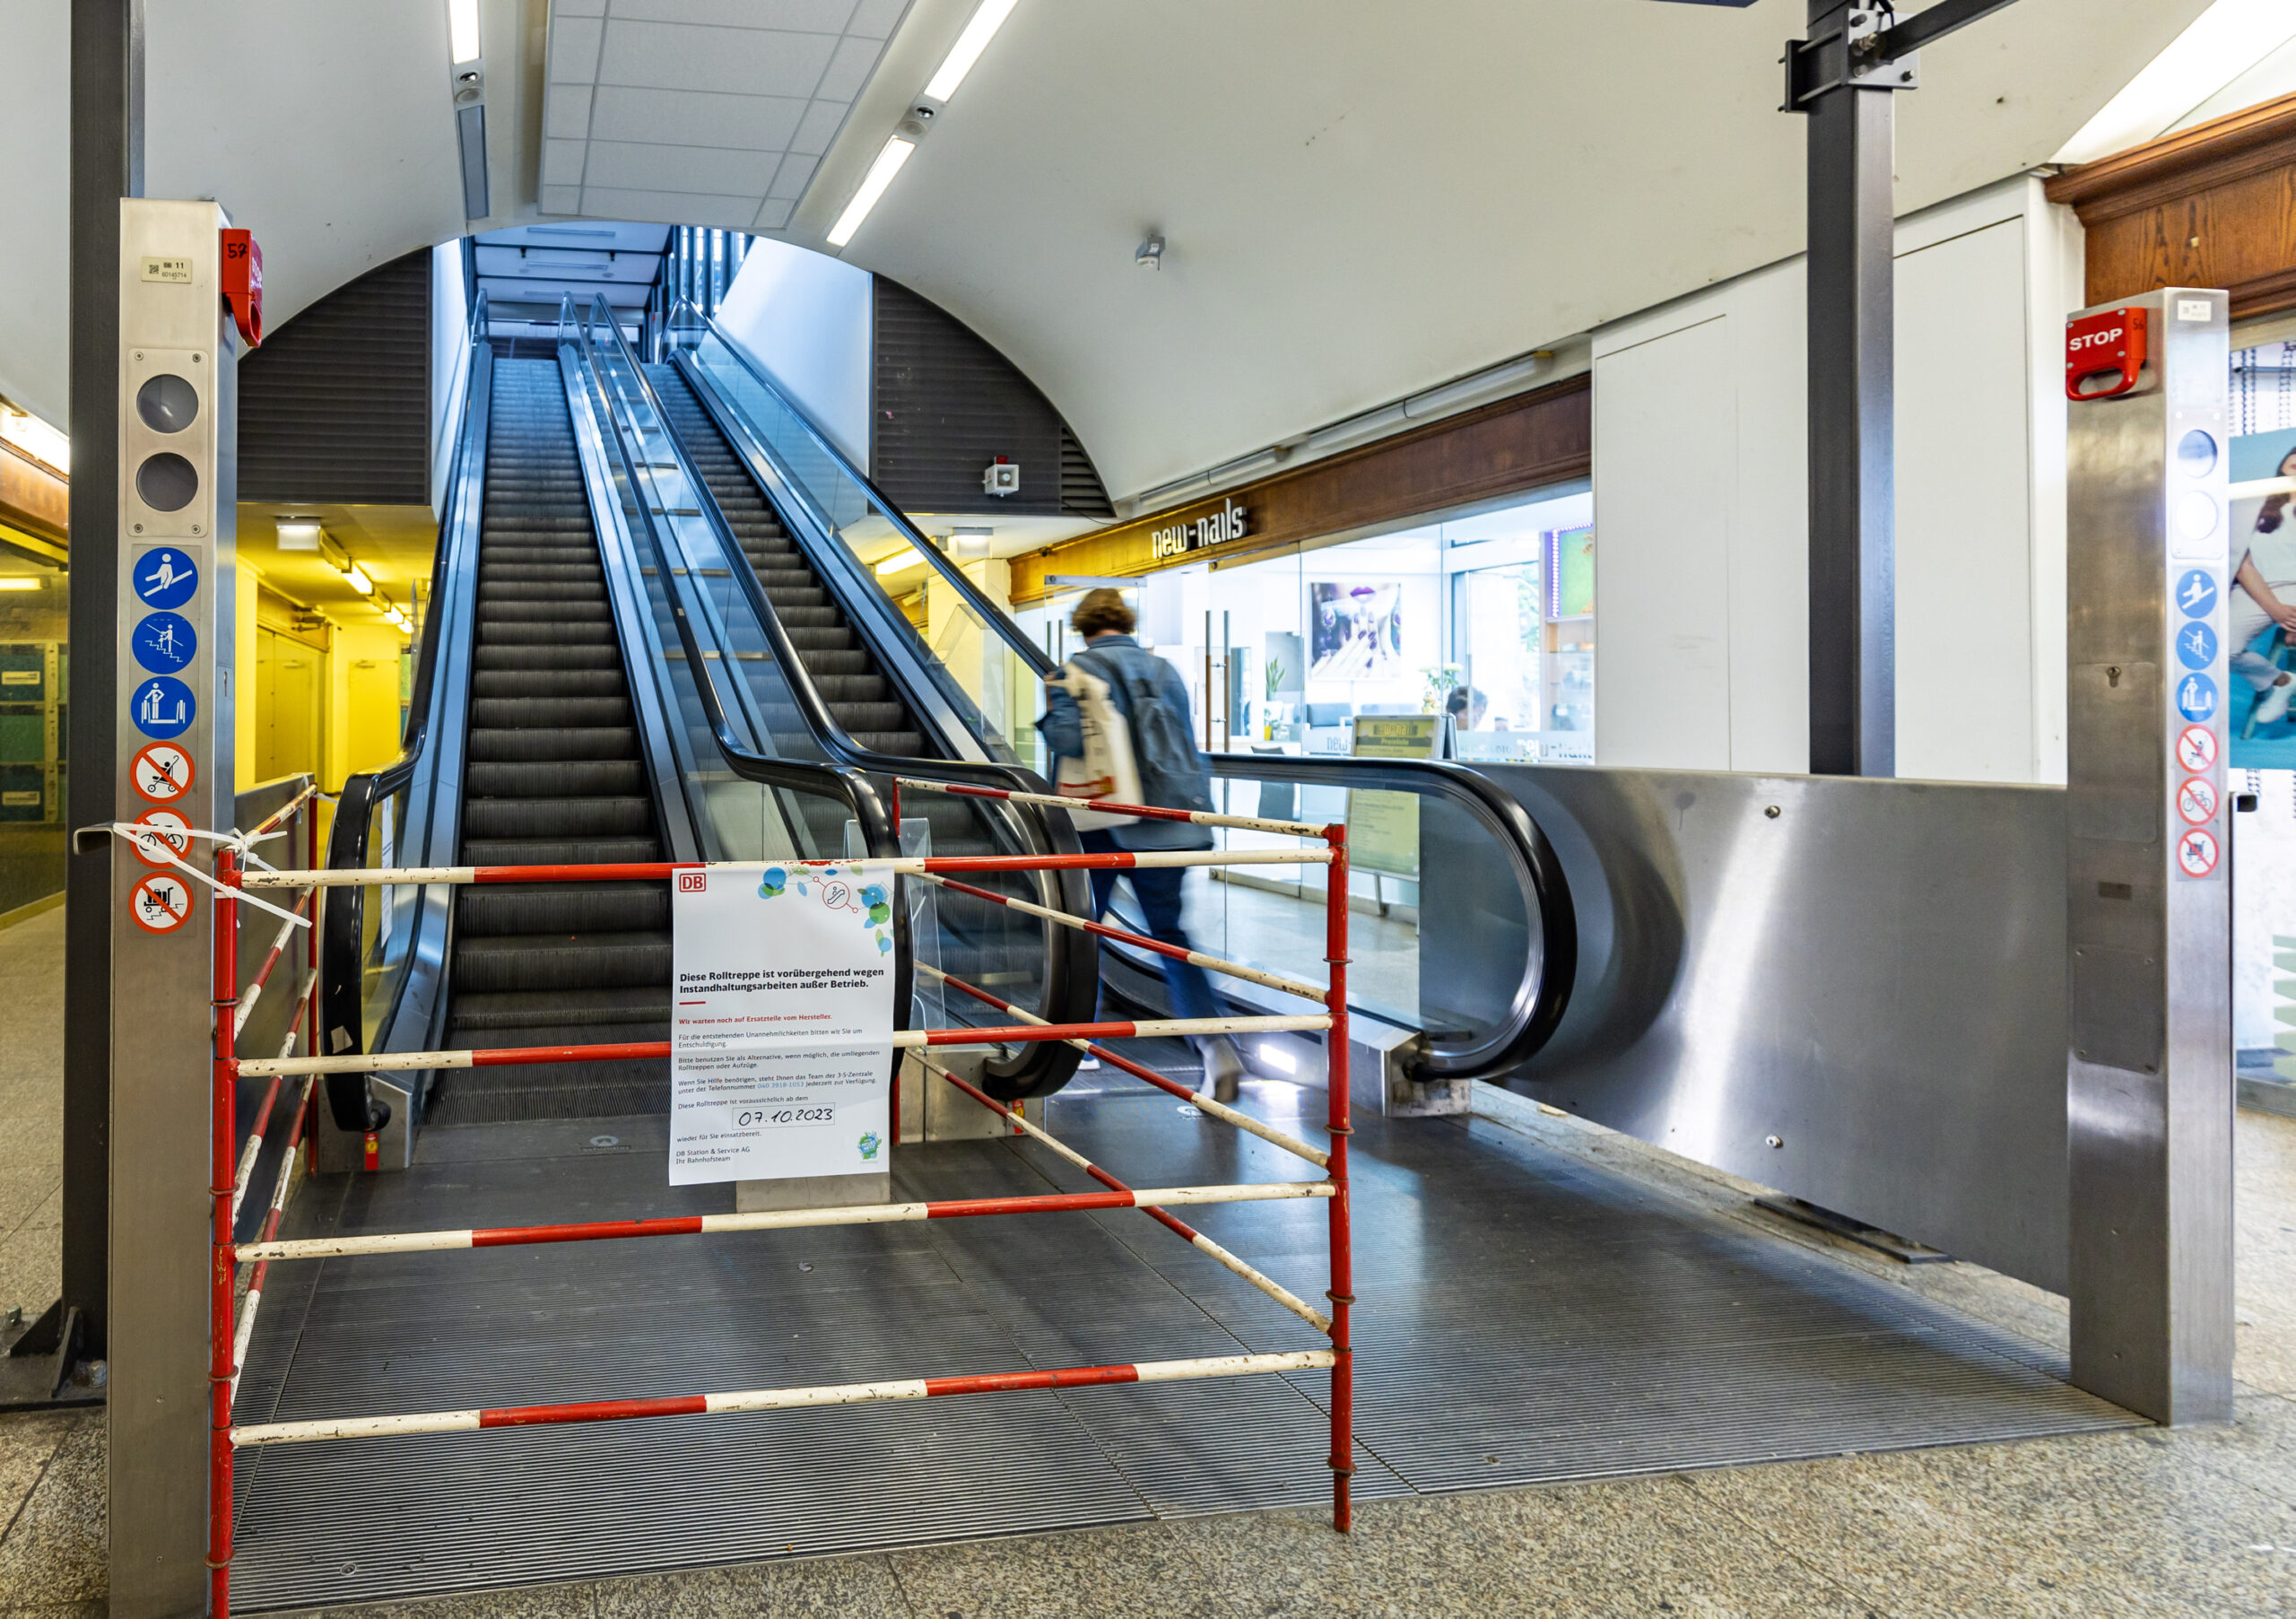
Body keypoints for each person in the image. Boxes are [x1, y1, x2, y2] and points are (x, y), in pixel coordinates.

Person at [1038, 588, 1248, 1101]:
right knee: (1170, 934)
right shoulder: (1165, 670)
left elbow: (1067, 741)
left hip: (1102, 824)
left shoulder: (1077, 671)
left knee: (1082, 931)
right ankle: (1214, 1044)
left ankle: (1076, 1045)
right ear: (1125, 623)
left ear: (1083, 626)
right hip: (1167, 823)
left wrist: (1052, 702)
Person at [2232, 446, 2296, 727]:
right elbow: (2241, 561)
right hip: (2252, 586)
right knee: (2217, 647)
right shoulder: (2255, 502)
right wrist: (2275, 609)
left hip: (2293, 587)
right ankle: (2281, 682)